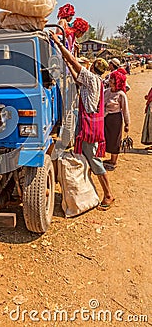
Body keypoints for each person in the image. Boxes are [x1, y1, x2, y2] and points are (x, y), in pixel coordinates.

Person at [50, 31, 115, 211]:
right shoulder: (96, 81)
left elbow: (74, 62)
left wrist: (59, 45)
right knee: (86, 158)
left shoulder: (91, 78)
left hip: (89, 128)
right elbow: (75, 73)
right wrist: (65, 63)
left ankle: (108, 193)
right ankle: (89, 190)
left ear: (93, 68)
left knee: (94, 161)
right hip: (90, 125)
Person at [103, 70, 130, 170]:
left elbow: (125, 110)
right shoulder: (106, 92)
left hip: (115, 120)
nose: (110, 80)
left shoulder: (121, 94)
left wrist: (127, 124)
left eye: (112, 79)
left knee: (115, 140)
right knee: (106, 138)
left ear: (117, 81)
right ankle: (109, 158)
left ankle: (113, 161)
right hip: (105, 118)